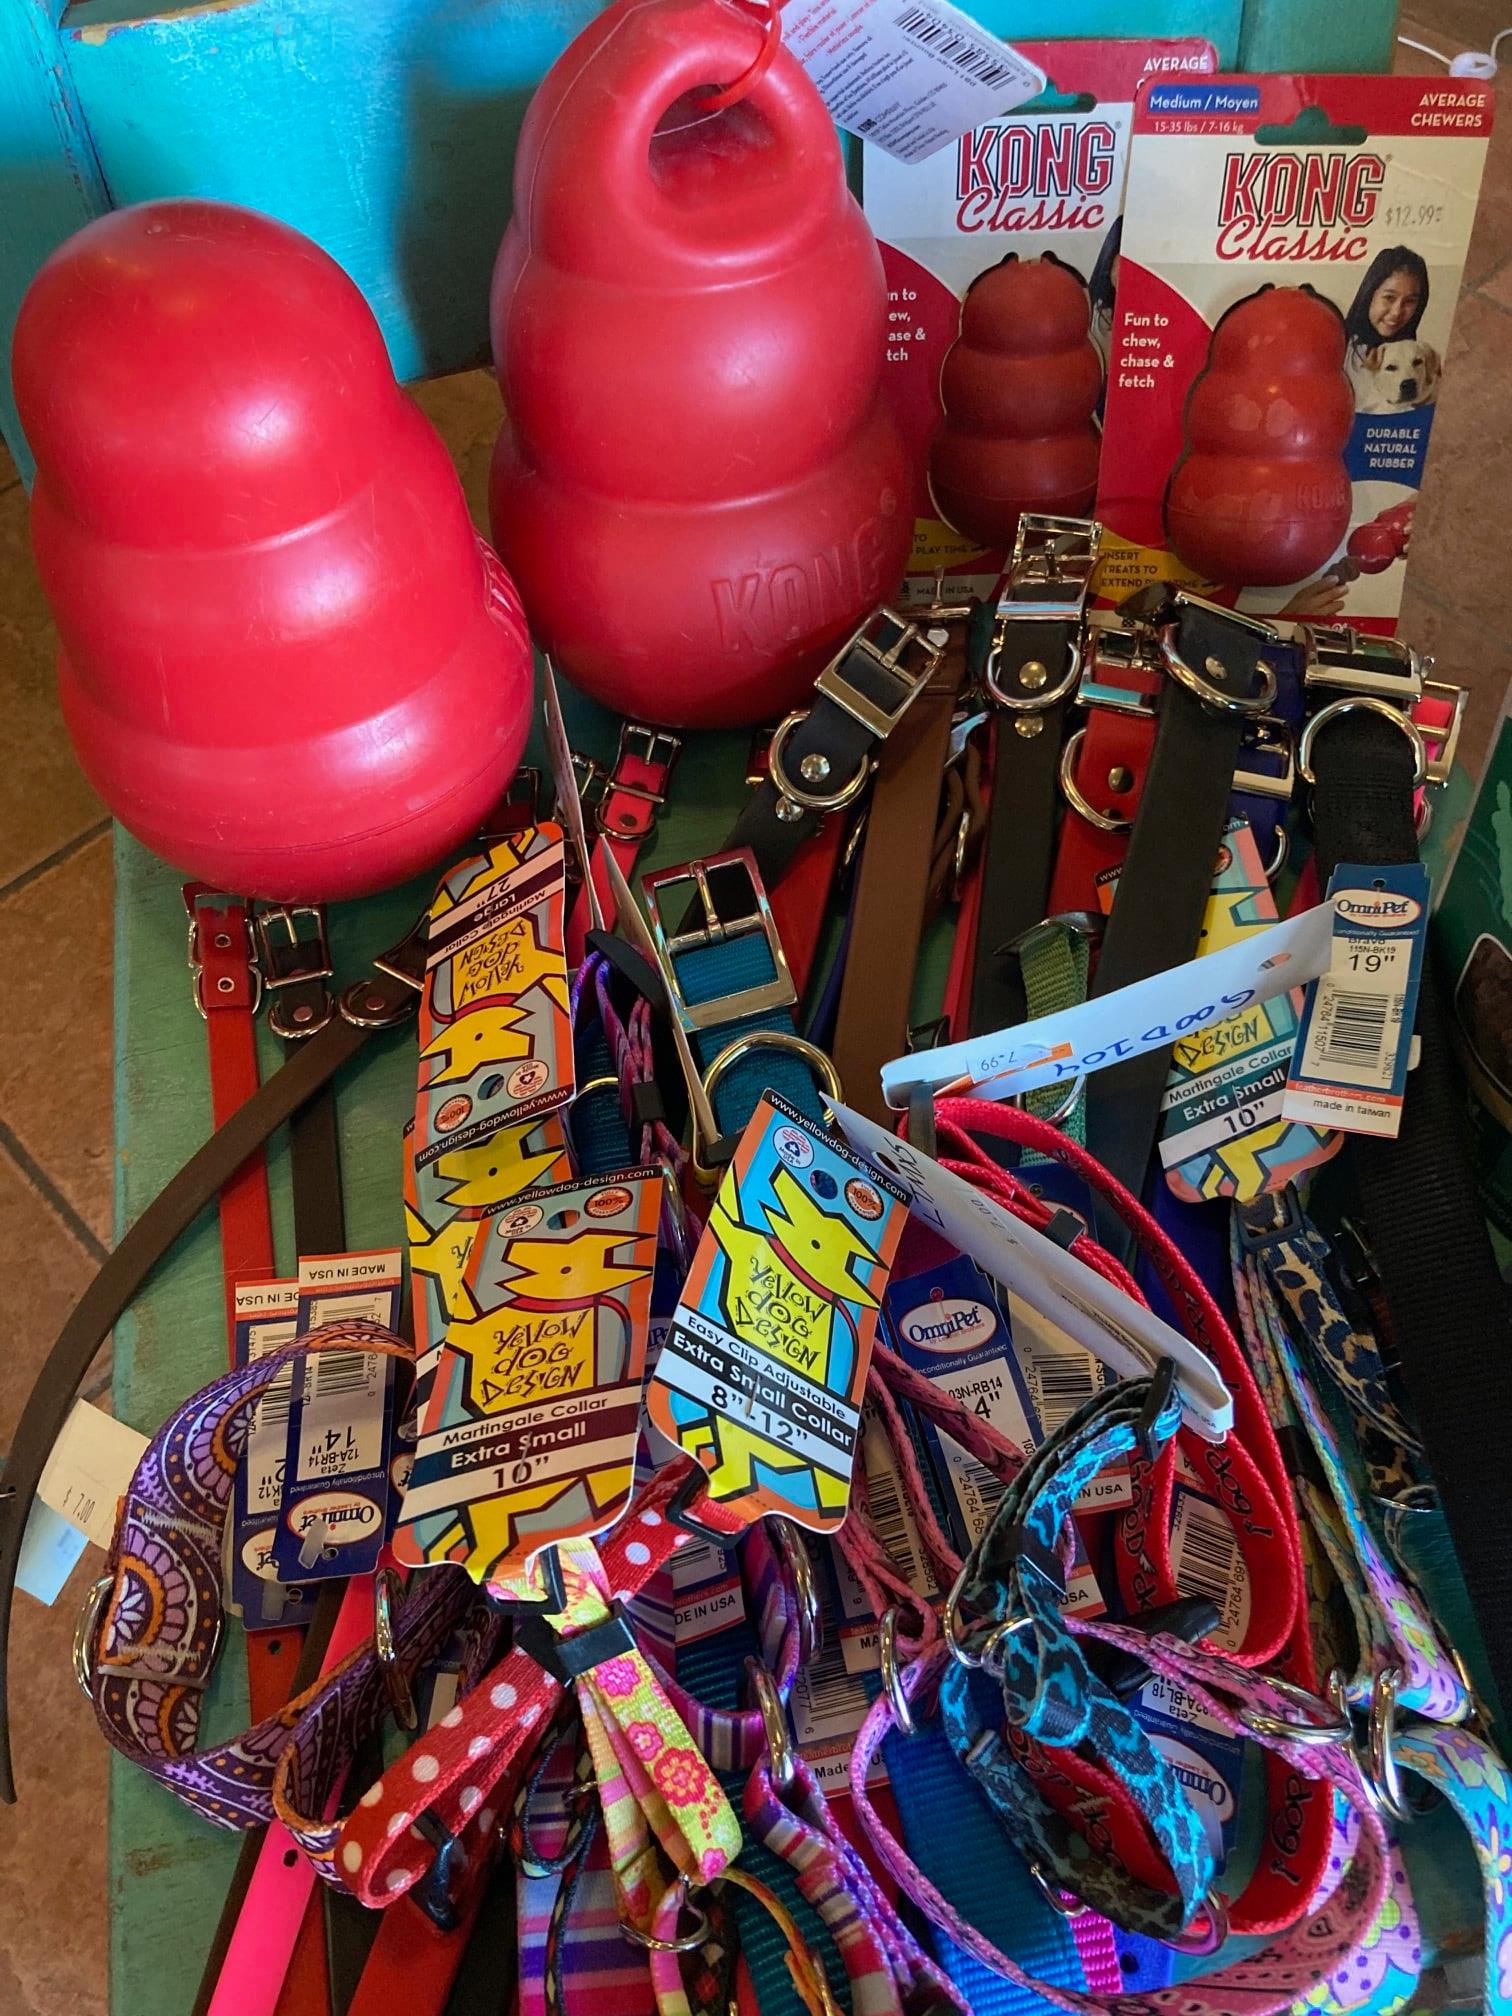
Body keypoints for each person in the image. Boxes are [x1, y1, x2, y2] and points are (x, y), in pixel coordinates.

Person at [1343, 247, 1430, 355]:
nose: (1397, 312)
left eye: (1409, 301)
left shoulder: (1419, 357)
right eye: (1389, 297)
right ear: (1369, 294)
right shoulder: (1337, 343)